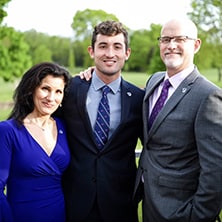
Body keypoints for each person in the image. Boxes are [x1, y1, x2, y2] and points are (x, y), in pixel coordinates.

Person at [134, 18, 222, 221]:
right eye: (165, 39)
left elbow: (216, 170)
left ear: (196, 44)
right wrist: (97, 74)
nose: (171, 45)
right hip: (149, 204)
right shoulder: (154, 81)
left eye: (180, 39)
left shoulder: (208, 96)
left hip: (181, 210)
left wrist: (196, 216)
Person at [58, 20, 144, 222]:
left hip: (120, 203)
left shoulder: (139, 98)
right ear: (91, 51)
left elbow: (152, 146)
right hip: (74, 201)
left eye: (117, 47)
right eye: (103, 46)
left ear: (127, 53)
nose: (110, 53)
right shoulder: (69, 90)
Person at [0, 62, 71, 222]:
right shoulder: (8, 131)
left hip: (59, 214)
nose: (51, 98)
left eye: (58, 91)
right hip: (21, 215)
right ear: (31, 89)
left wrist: (92, 71)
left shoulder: (64, 127)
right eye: (45, 89)